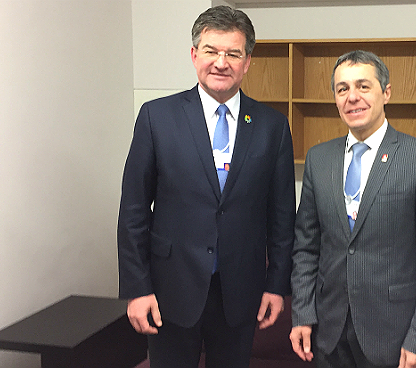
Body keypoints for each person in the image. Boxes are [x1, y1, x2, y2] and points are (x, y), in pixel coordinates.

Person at [117, 6, 295, 368]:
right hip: (170, 290)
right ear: (195, 54)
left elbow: (281, 218)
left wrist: (277, 285)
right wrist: (137, 288)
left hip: (240, 292)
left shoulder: (272, 126)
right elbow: (134, 209)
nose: (221, 62)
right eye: (212, 50)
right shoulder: (157, 117)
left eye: (233, 53)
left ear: (248, 61)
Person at [289, 50, 416, 368]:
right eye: (342, 89)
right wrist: (302, 314)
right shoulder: (319, 160)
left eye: (363, 86)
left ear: (386, 92)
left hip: (393, 336)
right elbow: (306, 248)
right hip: (328, 333)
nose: (352, 97)